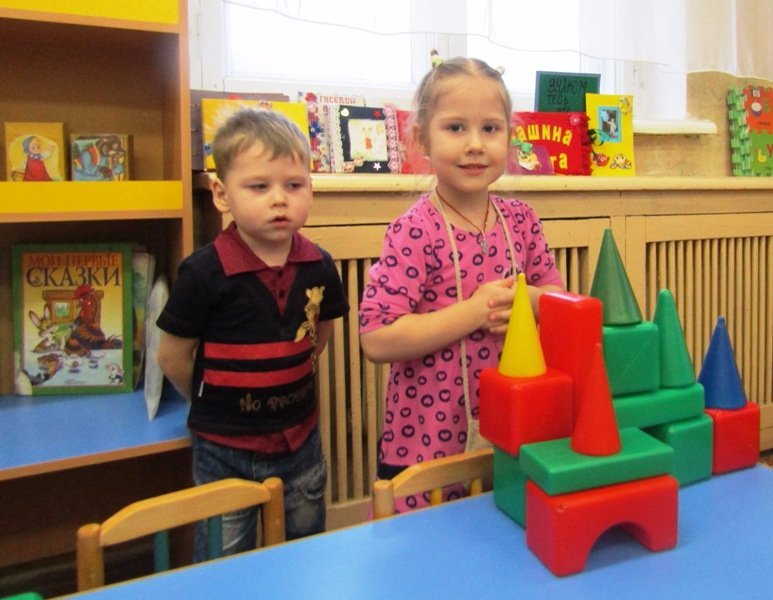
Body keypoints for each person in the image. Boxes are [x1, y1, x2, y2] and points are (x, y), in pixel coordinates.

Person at [359, 57, 564, 511]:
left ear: (509, 137)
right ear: (421, 139)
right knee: (430, 546)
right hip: (427, 444)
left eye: (490, 129)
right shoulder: (414, 231)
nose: (475, 145)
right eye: (455, 128)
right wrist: (474, 311)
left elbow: (561, 303)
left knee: (505, 533)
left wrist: (530, 299)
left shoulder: (522, 221)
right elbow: (377, 337)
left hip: (513, 435)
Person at [156, 109, 348, 558]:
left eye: (294, 185)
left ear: (310, 189)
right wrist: (212, 402)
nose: (279, 199)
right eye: (259, 187)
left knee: (304, 548)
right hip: (222, 447)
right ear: (222, 195)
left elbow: (319, 333)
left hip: (300, 440)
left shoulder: (320, 264)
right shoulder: (203, 271)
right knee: (225, 558)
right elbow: (173, 356)